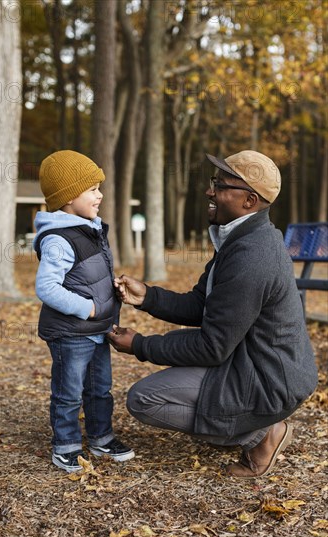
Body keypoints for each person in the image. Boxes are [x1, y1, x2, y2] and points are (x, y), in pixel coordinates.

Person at [108, 150, 318, 478]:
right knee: (167, 392)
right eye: (214, 183)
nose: (210, 191)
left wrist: (141, 346)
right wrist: (148, 296)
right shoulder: (241, 240)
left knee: (144, 399)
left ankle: (263, 434)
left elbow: (211, 347)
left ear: (249, 200)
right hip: (253, 362)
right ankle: (248, 423)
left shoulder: (253, 257)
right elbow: (200, 305)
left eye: (221, 186)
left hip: (269, 379)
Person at [34, 150, 134, 473]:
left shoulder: (89, 228)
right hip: (71, 333)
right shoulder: (58, 239)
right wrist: (87, 307)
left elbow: (88, 276)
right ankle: (65, 445)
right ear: (68, 198)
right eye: (92, 189)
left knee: (99, 389)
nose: (100, 194)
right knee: (68, 392)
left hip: (97, 331)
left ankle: (101, 438)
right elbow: (47, 288)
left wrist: (111, 290)